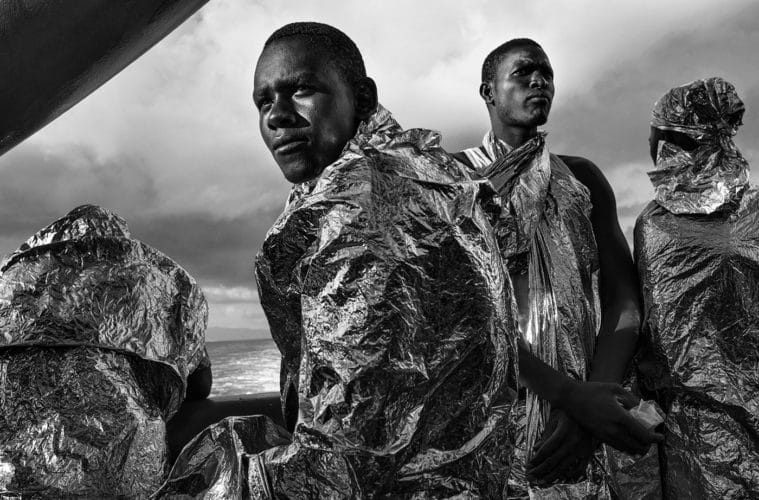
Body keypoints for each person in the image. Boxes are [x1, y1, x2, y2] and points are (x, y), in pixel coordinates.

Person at [156, 22, 519, 498]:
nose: (277, 116)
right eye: (263, 102)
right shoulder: (422, 176)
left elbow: (340, 460)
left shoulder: (362, 213)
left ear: (362, 99)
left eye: (301, 90)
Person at [453, 38, 661, 497]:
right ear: (488, 91)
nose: (539, 81)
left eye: (547, 74)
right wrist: (568, 395)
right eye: (523, 72)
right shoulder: (454, 180)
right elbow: (459, 314)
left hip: (585, 410)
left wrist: (596, 399)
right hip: (492, 411)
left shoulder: (582, 178)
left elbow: (623, 300)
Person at [0, 204, 211, 497]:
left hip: (13, 474)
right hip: (124, 471)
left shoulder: (13, 290)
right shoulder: (151, 284)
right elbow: (201, 385)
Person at [634, 77, 759, 498]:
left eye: (656, 136)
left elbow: (655, 337)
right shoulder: (752, 213)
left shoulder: (656, 226)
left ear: (677, 143)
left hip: (694, 433)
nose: (649, 146)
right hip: (698, 432)